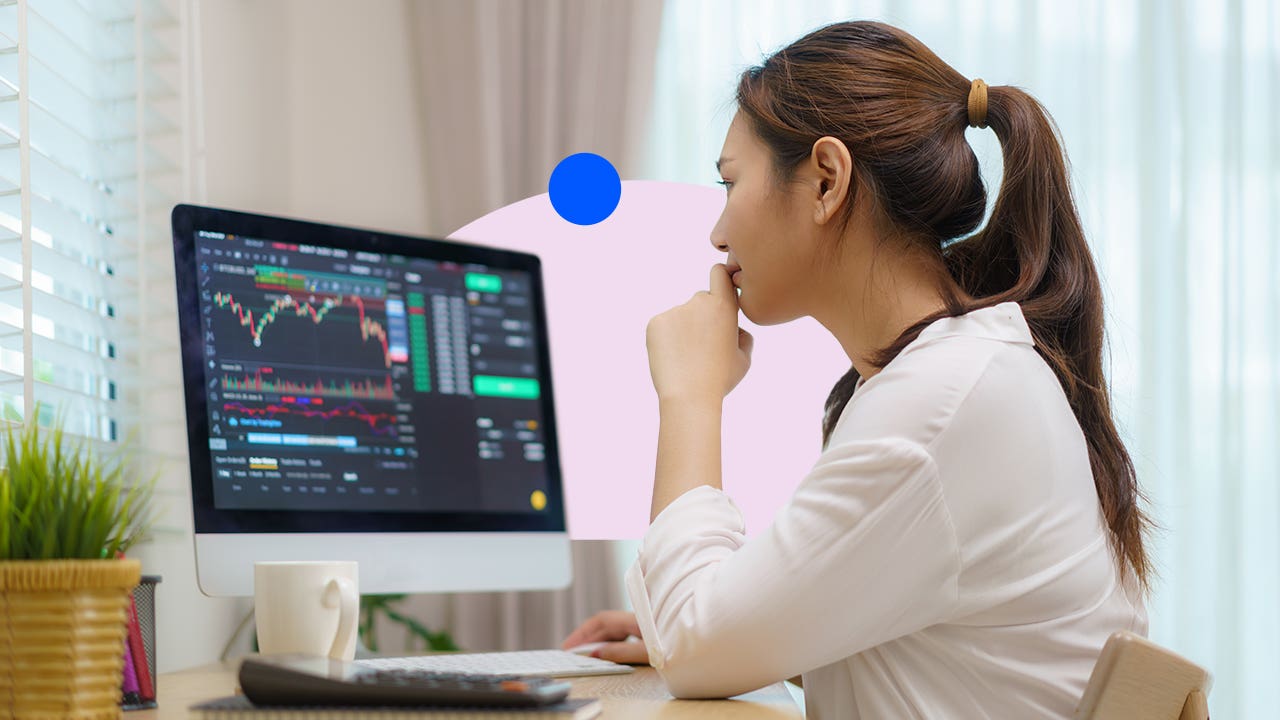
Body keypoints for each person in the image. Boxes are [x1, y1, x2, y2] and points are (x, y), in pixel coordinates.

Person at [562, 19, 1151, 719]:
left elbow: (693, 645)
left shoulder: (941, 403)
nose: (717, 233)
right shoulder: (966, 377)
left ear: (826, 181)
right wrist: (740, 627)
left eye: (730, 183)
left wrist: (691, 394)